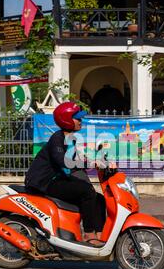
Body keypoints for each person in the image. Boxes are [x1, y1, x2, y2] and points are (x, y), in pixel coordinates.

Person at [25, 101, 106, 247]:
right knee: (86, 191)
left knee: (99, 198)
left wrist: (100, 161)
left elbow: (77, 159)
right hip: (45, 183)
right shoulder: (58, 138)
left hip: (57, 180)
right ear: (67, 120)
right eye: (77, 118)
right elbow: (64, 161)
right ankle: (88, 234)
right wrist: (90, 163)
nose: (81, 121)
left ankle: (100, 235)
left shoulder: (71, 139)